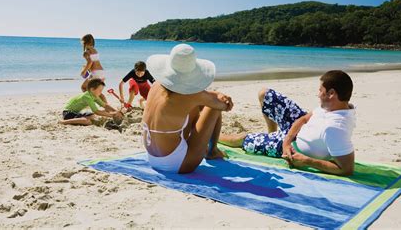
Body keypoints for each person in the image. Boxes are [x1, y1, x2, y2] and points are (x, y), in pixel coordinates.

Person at [219, 70, 356, 176]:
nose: (318, 94)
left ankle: (209, 134)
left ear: (331, 93)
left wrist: (306, 161)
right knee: (265, 94)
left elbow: (346, 169)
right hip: (293, 134)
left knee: (241, 139)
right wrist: (287, 141)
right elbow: (303, 119)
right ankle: (272, 134)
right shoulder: (335, 106)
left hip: (294, 148)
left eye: (320, 91)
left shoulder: (335, 127)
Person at [142, 44, 233, 174]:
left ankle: (209, 149)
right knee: (213, 107)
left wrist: (214, 95)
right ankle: (212, 151)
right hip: (178, 164)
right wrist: (222, 98)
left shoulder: (156, 86)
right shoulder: (190, 95)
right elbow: (222, 105)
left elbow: (201, 96)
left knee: (201, 103)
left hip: (152, 158)